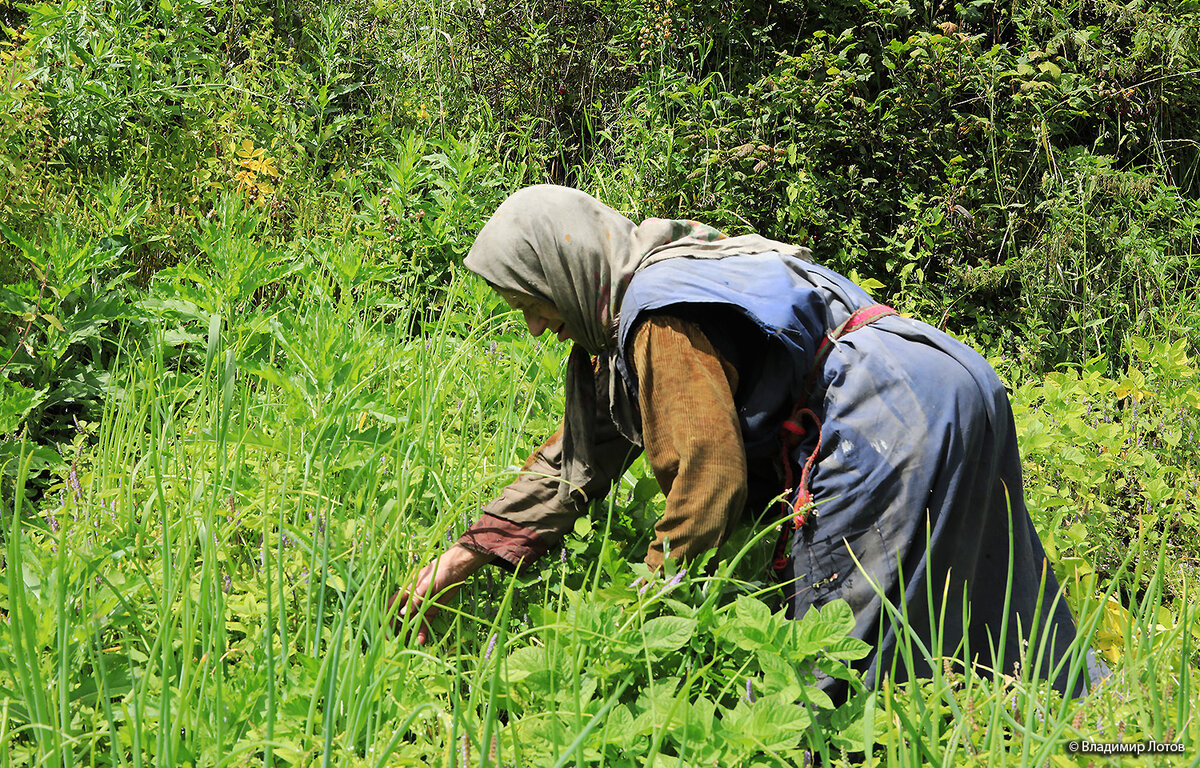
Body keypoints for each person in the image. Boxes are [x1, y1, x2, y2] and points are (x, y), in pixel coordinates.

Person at [392, 184, 1098, 697]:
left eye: (531, 305)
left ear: (563, 273)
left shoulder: (655, 321)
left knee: (822, 672)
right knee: (990, 600)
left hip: (884, 412)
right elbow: (577, 463)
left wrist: (633, 613)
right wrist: (467, 553)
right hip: (951, 375)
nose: (536, 328)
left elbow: (711, 480)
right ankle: (1066, 719)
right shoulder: (655, 284)